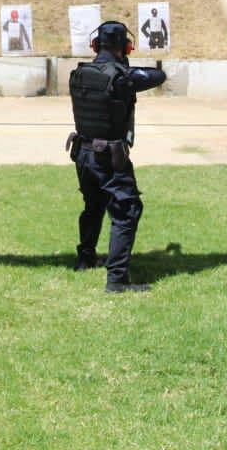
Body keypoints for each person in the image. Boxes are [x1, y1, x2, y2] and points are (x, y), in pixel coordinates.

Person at [67, 21, 166, 292]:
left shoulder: (80, 73)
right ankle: (117, 279)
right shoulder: (121, 77)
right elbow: (158, 76)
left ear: (95, 45)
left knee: (93, 205)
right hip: (109, 157)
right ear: (126, 47)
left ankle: (85, 258)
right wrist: (125, 66)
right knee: (127, 210)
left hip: (83, 154)